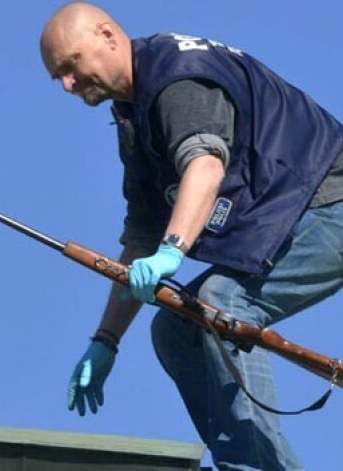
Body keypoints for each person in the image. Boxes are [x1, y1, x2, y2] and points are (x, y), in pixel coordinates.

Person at [40, 3, 343, 470]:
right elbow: (140, 237)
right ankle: (245, 462)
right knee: (177, 327)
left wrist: (172, 251)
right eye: (56, 77)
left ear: (106, 34)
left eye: (70, 65)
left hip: (332, 204)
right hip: (296, 213)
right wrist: (106, 340)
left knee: (222, 301)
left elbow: (205, 166)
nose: (66, 85)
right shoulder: (133, 119)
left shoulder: (176, 80)